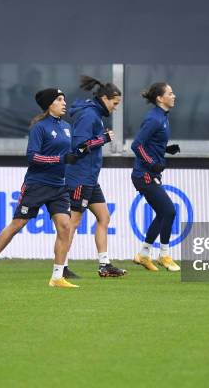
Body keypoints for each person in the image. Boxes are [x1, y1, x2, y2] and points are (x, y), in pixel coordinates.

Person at [0, 88, 87, 288]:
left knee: (65, 227)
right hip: (37, 185)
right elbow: (32, 157)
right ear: (49, 104)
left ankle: (56, 277)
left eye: (64, 99)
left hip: (59, 186)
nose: (64, 103)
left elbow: (67, 153)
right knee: (17, 224)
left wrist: (77, 153)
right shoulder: (39, 128)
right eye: (59, 100)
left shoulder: (66, 127)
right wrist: (60, 158)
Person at [63, 75, 127, 278]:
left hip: (89, 178)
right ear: (105, 98)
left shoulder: (94, 114)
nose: (116, 108)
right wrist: (103, 138)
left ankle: (104, 265)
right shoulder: (90, 116)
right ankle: (61, 267)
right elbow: (79, 148)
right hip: (80, 177)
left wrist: (100, 138)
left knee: (103, 217)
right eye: (115, 103)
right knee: (72, 222)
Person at [131, 82, 181, 272]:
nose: (174, 95)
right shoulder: (154, 118)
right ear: (160, 98)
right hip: (143, 175)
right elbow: (137, 145)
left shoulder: (163, 117)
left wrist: (165, 149)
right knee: (169, 211)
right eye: (170, 93)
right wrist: (151, 163)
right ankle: (164, 255)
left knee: (163, 213)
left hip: (150, 173)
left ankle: (143, 255)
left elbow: (150, 144)